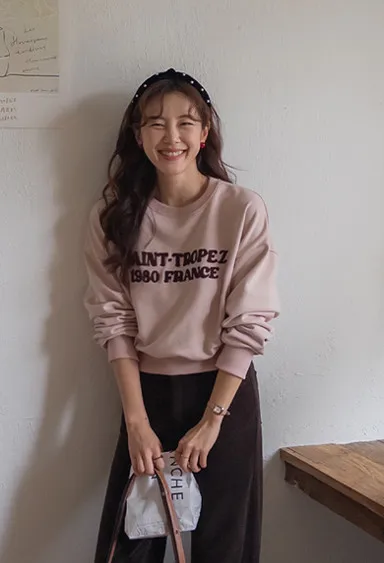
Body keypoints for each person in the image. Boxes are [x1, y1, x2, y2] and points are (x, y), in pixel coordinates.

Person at [82, 68, 281, 563]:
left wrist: (213, 421)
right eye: (156, 123)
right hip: (146, 393)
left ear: (204, 132)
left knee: (225, 546)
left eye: (185, 123)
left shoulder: (240, 209)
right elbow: (114, 322)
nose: (171, 137)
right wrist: (136, 422)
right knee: (131, 545)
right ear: (138, 135)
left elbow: (250, 322)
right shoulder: (113, 217)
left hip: (225, 392)